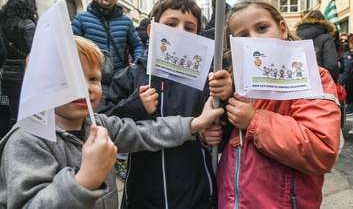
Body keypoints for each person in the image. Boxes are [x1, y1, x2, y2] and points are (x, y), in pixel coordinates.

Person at [0, 35, 224, 208]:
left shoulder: (97, 124)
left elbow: (145, 132)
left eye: (93, 79)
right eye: (71, 77)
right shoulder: (27, 139)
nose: (86, 87)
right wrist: (85, 179)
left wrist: (195, 124)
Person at [205, 0, 341, 208]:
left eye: (261, 28)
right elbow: (225, 141)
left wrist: (254, 120)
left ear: (283, 29)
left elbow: (321, 150)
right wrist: (219, 110)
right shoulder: (239, 83)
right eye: (243, 36)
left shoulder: (313, 78)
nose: (255, 39)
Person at [100, 0, 229, 209]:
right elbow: (105, 128)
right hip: (142, 197)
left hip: (195, 196)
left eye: (189, 28)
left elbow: (223, 131)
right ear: (152, 31)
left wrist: (212, 129)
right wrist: (135, 106)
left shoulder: (207, 79)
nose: (180, 32)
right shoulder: (129, 77)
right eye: (171, 24)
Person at [71, 0, 144, 112]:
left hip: (119, 84)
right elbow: (71, 47)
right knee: (95, 120)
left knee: (116, 120)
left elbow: (137, 45)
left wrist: (136, 63)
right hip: (93, 83)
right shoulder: (81, 18)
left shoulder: (126, 22)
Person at [0, 0, 38, 127]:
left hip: (8, 75)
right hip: (25, 74)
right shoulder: (27, 24)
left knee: (14, 116)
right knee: (29, 117)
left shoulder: (4, 24)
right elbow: (36, 49)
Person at [295, 9, 339, 82]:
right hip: (321, 81)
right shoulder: (326, 38)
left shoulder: (296, 37)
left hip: (300, 81)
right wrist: (333, 81)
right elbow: (331, 65)